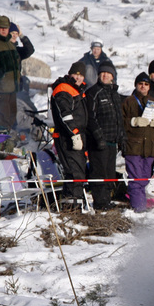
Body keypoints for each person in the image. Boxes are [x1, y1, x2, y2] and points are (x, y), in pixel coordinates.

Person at [122, 72, 154, 212]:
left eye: (146, 84)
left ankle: (140, 206)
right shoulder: (128, 102)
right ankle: (139, 209)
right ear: (136, 85)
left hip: (150, 148)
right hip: (133, 147)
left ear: (149, 87)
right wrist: (133, 121)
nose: (143, 86)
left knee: (144, 180)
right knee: (136, 181)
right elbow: (120, 124)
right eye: (140, 84)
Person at [85, 60, 123, 210]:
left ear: (113, 76)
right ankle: (99, 202)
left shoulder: (114, 94)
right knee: (99, 172)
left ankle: (106, 200)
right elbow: (91, 118)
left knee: (109, 172)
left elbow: (119, 118)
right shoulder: (93, 92)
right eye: (103, 73)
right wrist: (98, 137)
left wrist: (122, 137)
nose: (106, 76)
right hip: (98, 142)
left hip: (112, 141)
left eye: (108, 73)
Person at [50, 61, 89, 203]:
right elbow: (64, 113)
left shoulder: (78, 90)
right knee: (75, 172)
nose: (78, 78)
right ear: (70, 74)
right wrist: (74, 133)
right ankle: (73, 205)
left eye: (81, 75)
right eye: (75, 74)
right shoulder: (63, 88)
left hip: (79, 136)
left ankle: (71, 201)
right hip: (68, 137)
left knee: (78, 171)